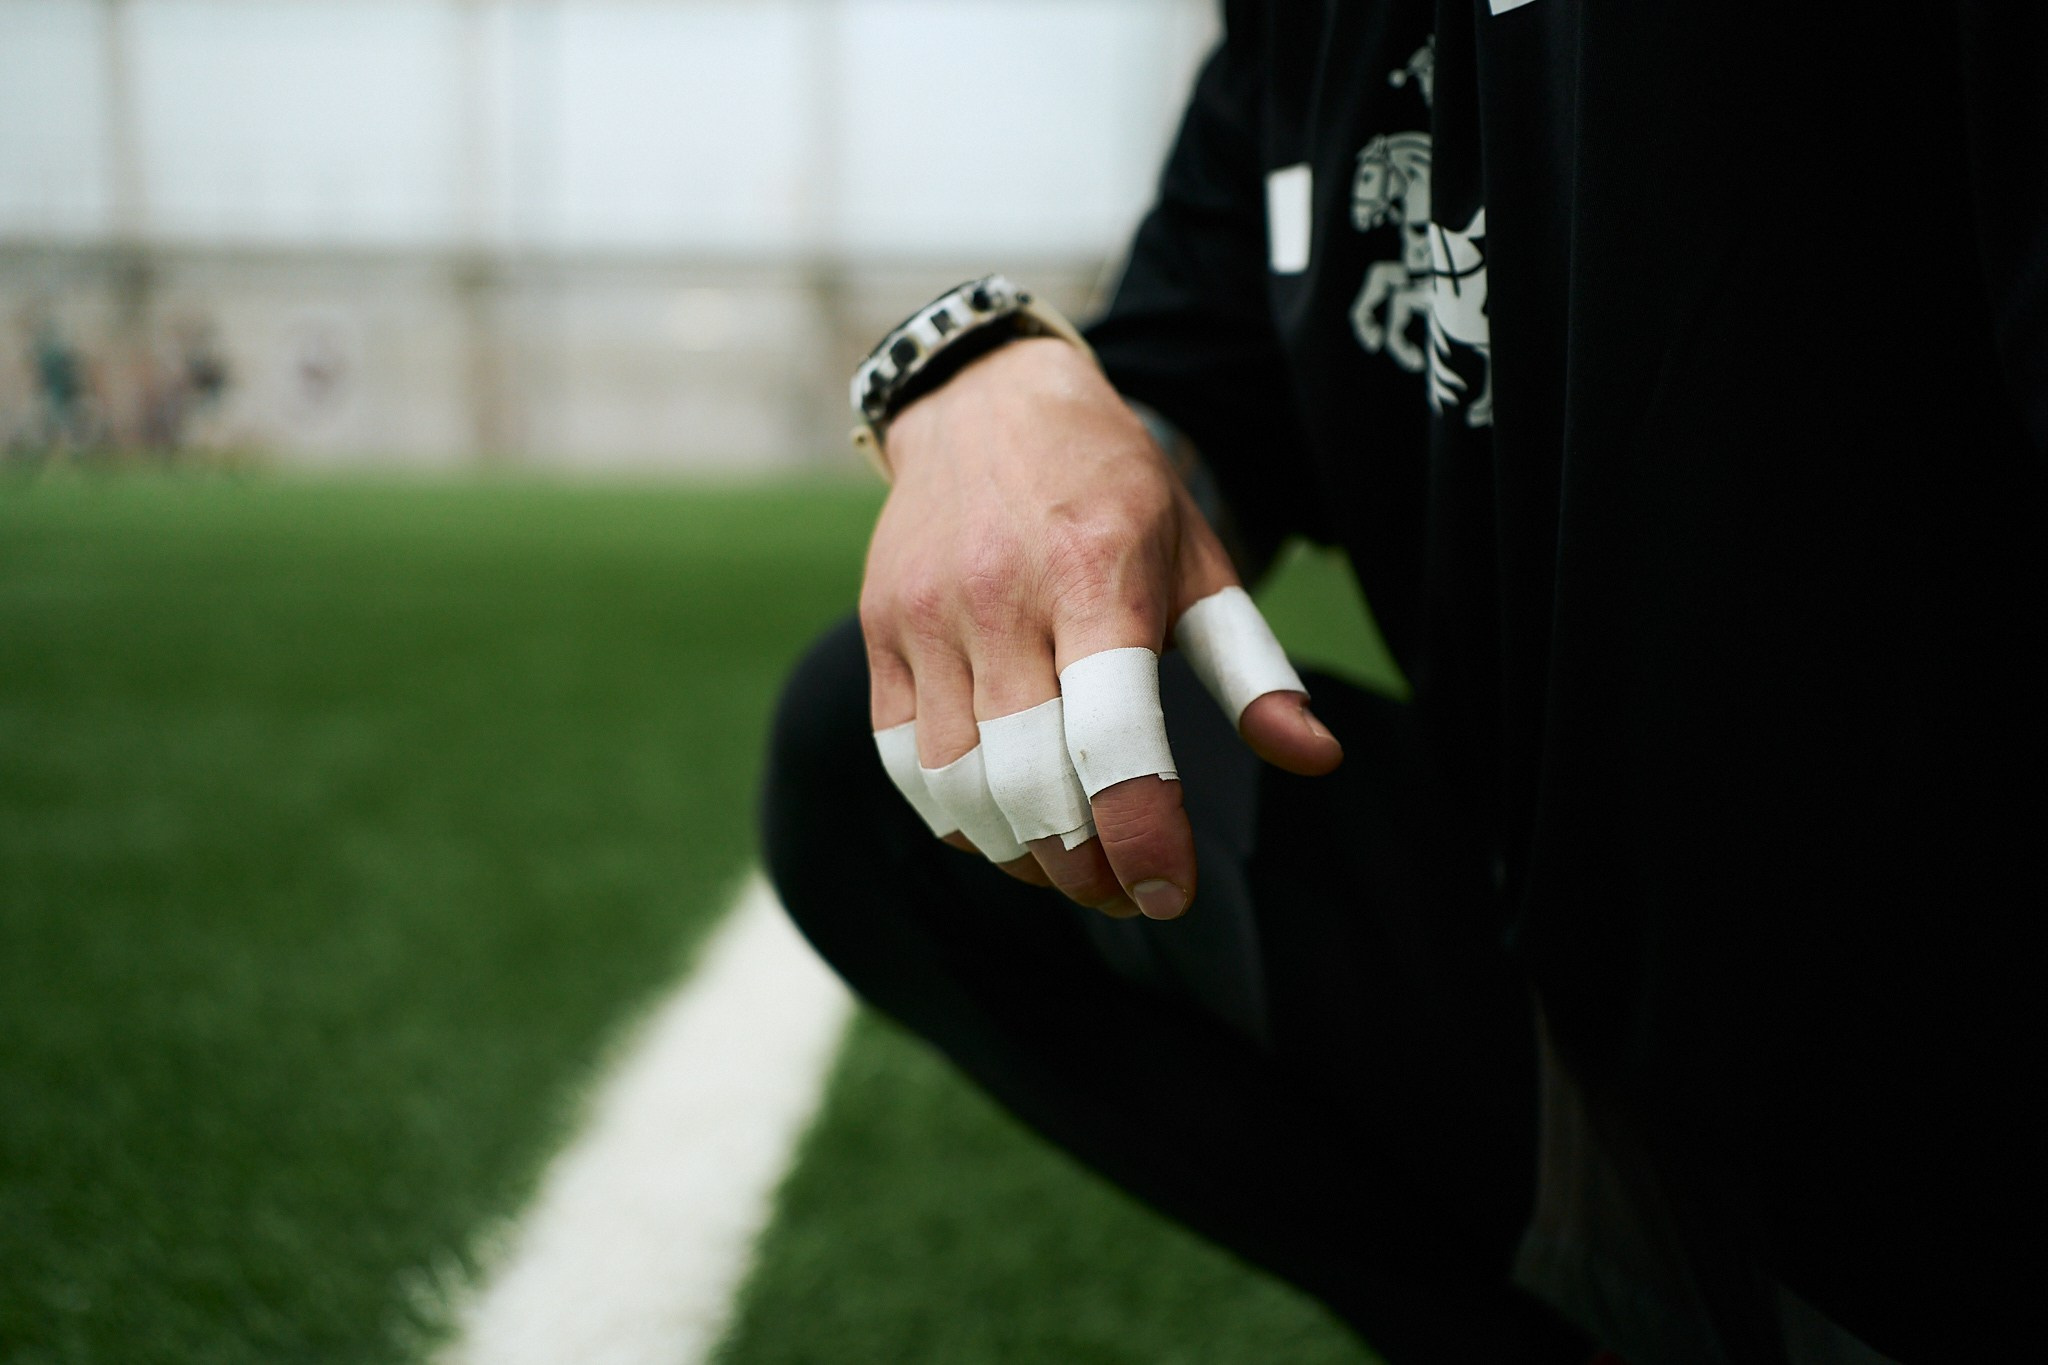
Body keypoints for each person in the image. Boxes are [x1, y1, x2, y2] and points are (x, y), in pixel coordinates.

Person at [761, 2, 2044, 1360]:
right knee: (869, 750)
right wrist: (980, 377)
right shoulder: (1296, 31)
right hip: (1606, 1044)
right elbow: (1185, 395)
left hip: (1965, 1107)